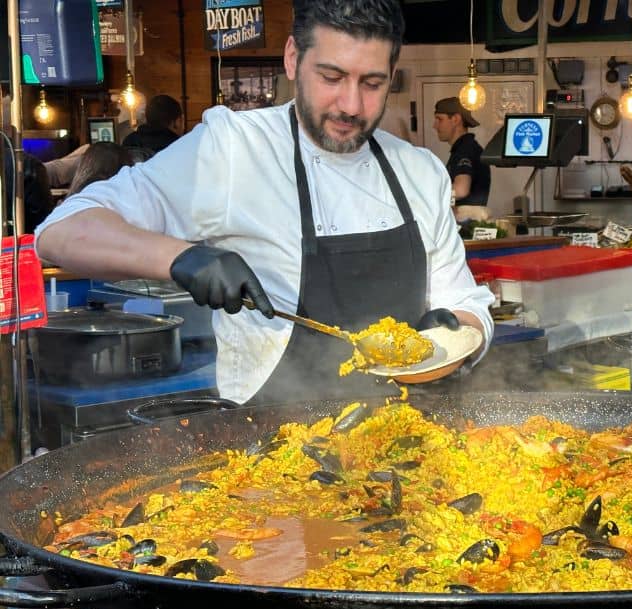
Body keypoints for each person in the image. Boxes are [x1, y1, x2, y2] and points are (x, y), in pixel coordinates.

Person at [35, 0, 494, 406]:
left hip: (409, 438)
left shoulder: (419, 171)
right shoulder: (232, 150)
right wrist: (182, 258)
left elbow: (464, 300)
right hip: (269, 446)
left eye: (372, 83)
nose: (351, 105)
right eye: (331, 77)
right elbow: (62, 231)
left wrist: (456, 331)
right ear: (293, 58)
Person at [432, 97, 491, 221]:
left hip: (466, 225)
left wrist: (429, 195)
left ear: (456, 119)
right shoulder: (464, 148)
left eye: (439, 119)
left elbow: (461, 190)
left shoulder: (465, 150)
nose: (435, 126)